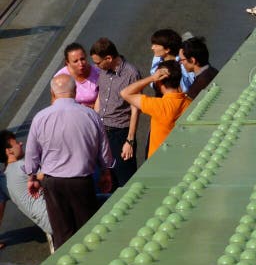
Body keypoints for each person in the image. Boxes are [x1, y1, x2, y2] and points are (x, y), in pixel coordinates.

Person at [23, 75, 114, 249]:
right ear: (75, 91)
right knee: (88, 233)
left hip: (53, 183)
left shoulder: (40, 118)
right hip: (82, 182)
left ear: (52, 93)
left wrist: (32, 177)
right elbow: (104, 150)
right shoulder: (90, 116)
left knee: (62, 234)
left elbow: (32, 154)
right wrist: (106, 172)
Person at [90, 37, 141, 189]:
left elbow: (135, 108)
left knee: (124, 180)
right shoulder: (104, 72)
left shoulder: (131, 74)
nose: (96, 66)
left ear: (109, 58)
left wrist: (129, 141)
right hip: (102, 131)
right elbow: (100, 97)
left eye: (98, 62)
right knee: (106, 180)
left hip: (120, 134)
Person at [121, 60, 191, 158]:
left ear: (159, 81)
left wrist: (152, 78)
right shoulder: (189, 102)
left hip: (158, 160)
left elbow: (125, 93)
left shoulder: (159, 105)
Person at [0, 130, 53, 253]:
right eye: (16, 143)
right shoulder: (24, 165)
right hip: (59, 217)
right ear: (9, 151)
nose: (21, 143)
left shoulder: (3, 180)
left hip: (45, 224)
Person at [55, 43, 101, 109]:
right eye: (75, 61)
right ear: (67, 62)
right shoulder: (60, 78)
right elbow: (56, 104)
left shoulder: (99, 73)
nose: (81, 64)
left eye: (82, 59)